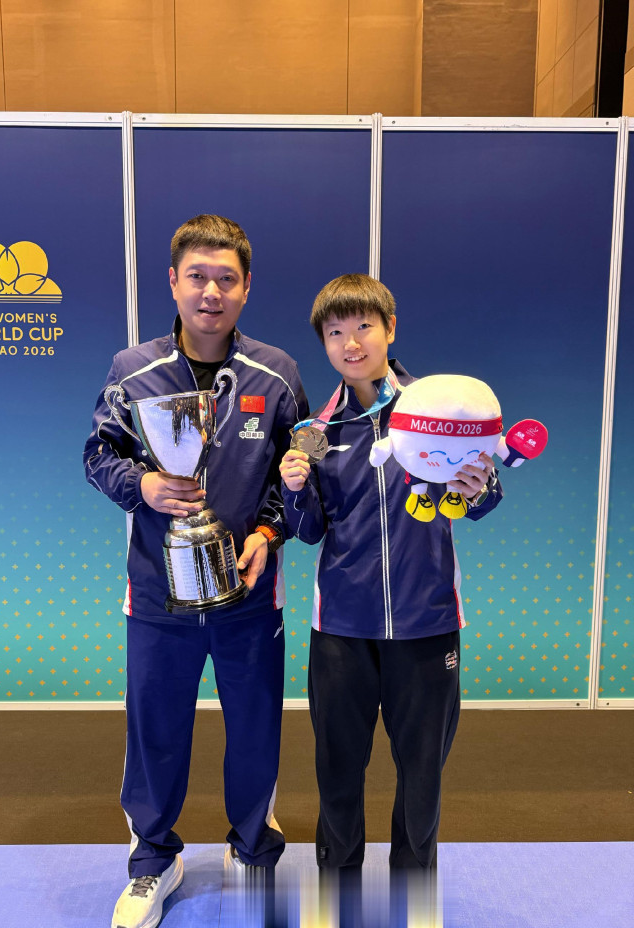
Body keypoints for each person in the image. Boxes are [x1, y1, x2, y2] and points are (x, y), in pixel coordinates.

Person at [84, 215, 307, 928]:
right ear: (173, 282)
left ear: (246, 288)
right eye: (198, 277)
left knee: (255, 729)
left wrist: (270, 531)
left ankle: (254, 850)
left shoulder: (277, 374)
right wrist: (141, 486)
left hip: (249, 596)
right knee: (154, 730)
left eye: (226, 279)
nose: (211, 292)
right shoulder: (132, 369)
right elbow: (97, 454)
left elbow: (293, 476)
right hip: (159, 595)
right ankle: (153, 860)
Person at [279, 273, 503, 878]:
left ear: (390, 329)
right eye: (336, 333)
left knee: (423, 772)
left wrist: (478, 488)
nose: (351, 343)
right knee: (338, 769)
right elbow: (309, 529)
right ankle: (338, 886)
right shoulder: (316, 432)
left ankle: (413, 890)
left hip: (427, 622)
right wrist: (294, 488)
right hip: (342, 628)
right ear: (324, 343)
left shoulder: (436, 414)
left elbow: (483, 499)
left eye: (364, 327)